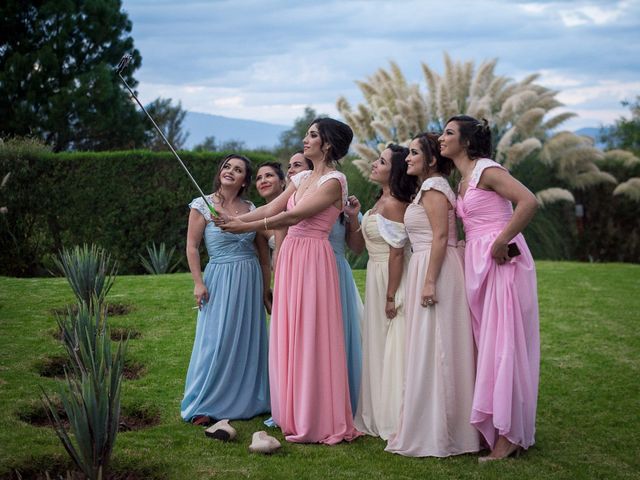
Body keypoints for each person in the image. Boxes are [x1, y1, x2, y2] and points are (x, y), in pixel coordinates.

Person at [217, 118, 361, 444]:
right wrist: (235, 218)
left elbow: (293, 216)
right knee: (289, 330)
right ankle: (290, 411)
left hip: (313, 258)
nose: (305, 139)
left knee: (311, 333)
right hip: (292, 255)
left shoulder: (335, 181)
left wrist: (243, 227)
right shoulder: (304, 176)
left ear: (326, 144)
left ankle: (316, 415)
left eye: (312, 135)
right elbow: (273, 206)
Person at [440, 115, 540, 461]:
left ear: (466, 142)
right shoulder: (463, 177)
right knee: (487, 344)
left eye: (449, 133)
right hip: (477, 263)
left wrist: (502, 241)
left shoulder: (487, 170)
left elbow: (528, 201)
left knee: (504, 343)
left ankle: (509, 436)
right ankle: (495, 426)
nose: (442, 138)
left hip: (502, 262)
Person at [386, 133, 480, 457]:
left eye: (414, 153)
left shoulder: (435, 186)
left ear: (429, 159)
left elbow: (440, 237)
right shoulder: (426, 188)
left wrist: (429, 282)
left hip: (436, 269)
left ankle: (444, 430)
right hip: (427, 265)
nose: (407, 158)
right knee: (428, 344)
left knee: (438, 344)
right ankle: (429, 421)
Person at [181, 154, 271, 425]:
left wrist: (266, 290)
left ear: (244, 180)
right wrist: (198, 282)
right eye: (227, 166)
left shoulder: (251, 207)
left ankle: (247, 398)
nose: (230, 171)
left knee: (246, 337)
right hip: (219, 276)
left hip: (249, 277)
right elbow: (192, 247)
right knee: (215, 339)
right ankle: (206, 401)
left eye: (238, 169)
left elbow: (264, 255)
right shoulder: (202, 204)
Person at [284, 149, 363, 416]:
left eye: (297, 165)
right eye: (290, 166)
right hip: (304, 271)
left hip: (334, 270)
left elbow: (356, 247)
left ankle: (342, 397)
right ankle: (307, 399)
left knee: (336, 335)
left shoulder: (335, 195)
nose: (291, 170)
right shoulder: (298, 196)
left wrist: (353, 218)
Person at [347, 144, 415, 440]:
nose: (375, 164)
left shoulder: (396, 203)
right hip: (375, 273)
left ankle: (397, 413)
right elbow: (359, 247)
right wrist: (354, 216)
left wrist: (391, 295)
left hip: (391, 276)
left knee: (394, 340)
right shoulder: (379, 202)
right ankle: (376, 408)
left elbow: (398, 253)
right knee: (376, 340)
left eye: (382, 161)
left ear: (395, 171)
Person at [255, 162, 286, 263]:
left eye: (269, 175)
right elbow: (265, 263)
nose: (263, 181)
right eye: (258, 178)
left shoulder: (296, 206)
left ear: (283, 182)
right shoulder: (258, 220)